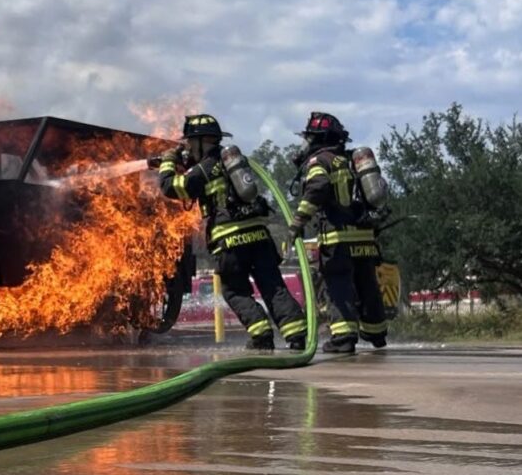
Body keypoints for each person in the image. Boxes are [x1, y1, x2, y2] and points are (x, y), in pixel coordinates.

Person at [158, 113, 307, 350]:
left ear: (201, 141)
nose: (188, 148)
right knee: (273, 286)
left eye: (190, 143)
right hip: (259, 236)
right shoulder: (233, 161)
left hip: (230, 240)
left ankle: (261, 335)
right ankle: (297, 335)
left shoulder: (205, 168)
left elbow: (171, 187)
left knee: (235, 290)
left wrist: (167, 162)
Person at [287, 111, 387, 354]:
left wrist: (298, 220)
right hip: (364, 237)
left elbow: (317, 188)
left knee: (338, 286)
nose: (305, 144)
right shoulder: (352, 160)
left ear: (318, 139)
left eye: (309, 138)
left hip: (338, 238)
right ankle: (376, 332)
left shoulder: (320, 161)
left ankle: (343, 338)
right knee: (367, 285)